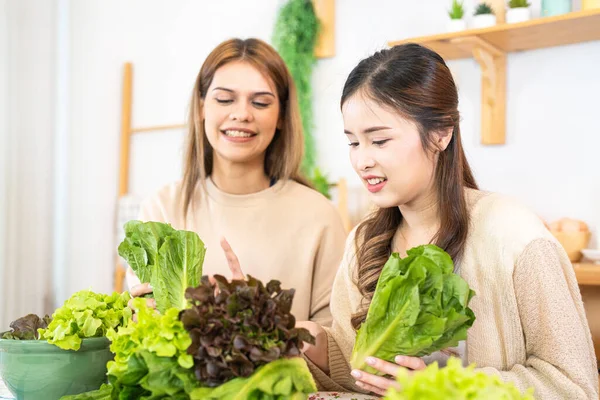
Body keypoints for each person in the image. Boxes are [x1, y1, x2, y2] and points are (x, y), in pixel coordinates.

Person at [296, 43, 599, 399]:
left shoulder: (515, 235)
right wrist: (305, 340)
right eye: (353, 142)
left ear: (441, 132)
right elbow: (362, 369)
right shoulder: (364, 241)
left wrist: (440, 388)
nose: (361, 160)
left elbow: (574, 386)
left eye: (379, 140)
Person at [126, 38, 346, 326]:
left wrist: (259, 324)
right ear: (202, 107)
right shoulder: (162, 209)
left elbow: (337, 347)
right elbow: (145, 327)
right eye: (225, 99)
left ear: (281, 116)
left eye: (260, 102)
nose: (242, 114)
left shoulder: (319, 216)